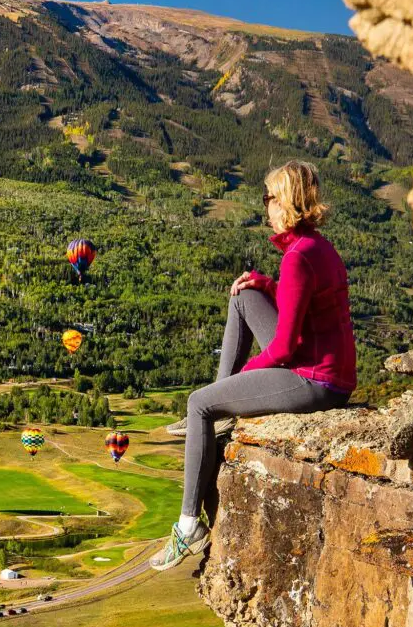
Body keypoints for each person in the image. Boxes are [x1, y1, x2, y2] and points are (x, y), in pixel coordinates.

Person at [151, 160, 356, 571]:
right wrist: (264, 284)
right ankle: (219, 405)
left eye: (270, 198)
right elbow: (301, 308)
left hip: (314, 380)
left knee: (199, 403)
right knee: (242, 295)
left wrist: (241, 383)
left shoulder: (298, 256)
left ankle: (189, 526)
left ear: (287, 203)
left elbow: (282, 348)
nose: (266, 206)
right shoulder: (316, 246)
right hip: (329, 371)